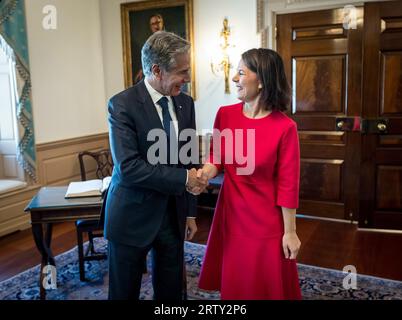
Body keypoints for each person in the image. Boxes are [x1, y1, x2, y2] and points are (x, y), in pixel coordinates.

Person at [104, 31, 207, 300]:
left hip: (172, 217)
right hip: (131, 216)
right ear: (157, 70)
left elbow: (189, 158)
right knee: (123, 293)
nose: (187, 79)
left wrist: (191, 212)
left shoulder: (186, 103)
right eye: (182, 72)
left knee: (172, 294)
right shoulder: (121, 105)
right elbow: (129, 168)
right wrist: (185, 179)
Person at [197, 48, 302, 300]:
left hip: (267, 220)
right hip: (231, 214)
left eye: (241, 72)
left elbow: (289, 184)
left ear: (262, 80)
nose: (234, 78)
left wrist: (290, 231)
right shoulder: (225, 115)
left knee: (264, 284)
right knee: (236, 283)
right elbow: (217, 157)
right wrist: (205, 173)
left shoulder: (285, 127)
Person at [134, 14, 165, 84]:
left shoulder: (169, 39)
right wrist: (142, 69)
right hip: (153, 74)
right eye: (153, 24)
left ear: (162, 23)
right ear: (150, 27)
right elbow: (147, 57)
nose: (156, 26)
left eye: (158, 22)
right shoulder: (149, 42)